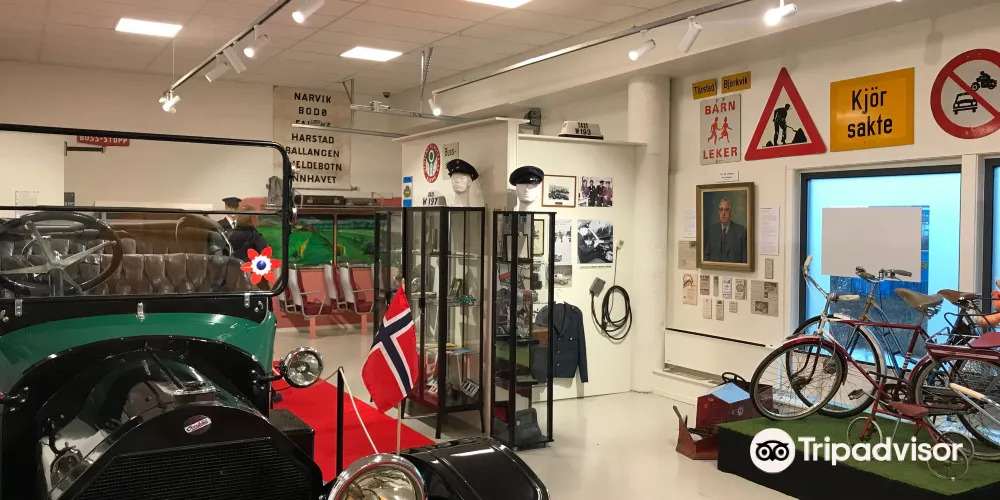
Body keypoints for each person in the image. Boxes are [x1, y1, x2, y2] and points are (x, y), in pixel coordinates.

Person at [704, 197, 747, 263]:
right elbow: (706, 257)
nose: (723, 213)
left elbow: (745, 260)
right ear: (719, 212)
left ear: (731, 212)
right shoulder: (712, 231)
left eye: (726, 210)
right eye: (721, 210)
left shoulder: (741, 232)